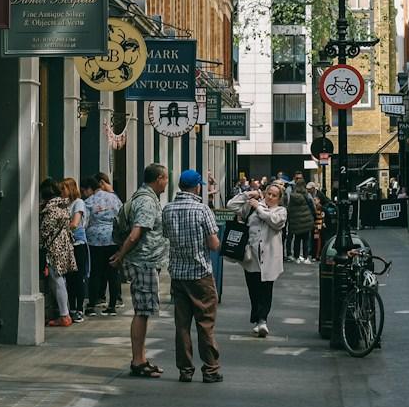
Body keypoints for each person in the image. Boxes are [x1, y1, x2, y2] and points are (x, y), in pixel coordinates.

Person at [161, 169, 223, 383]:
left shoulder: (167, 210)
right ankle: (210, 369)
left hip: (178, 274)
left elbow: (166, 236)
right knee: (205, 322)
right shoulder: (202, 210)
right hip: (200, 274)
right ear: (197, 186)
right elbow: (214, 244)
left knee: (182, 324)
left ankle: (185, 370)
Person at [112, 164, 169, 377]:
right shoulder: (146, 201)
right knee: (142, 311)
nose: (166, 183)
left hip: (145, 260)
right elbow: (137, 233)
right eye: (166, 179)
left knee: (144, 312)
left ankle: (142, 358)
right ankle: (137, 360)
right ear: (160, 178)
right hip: (142, 261)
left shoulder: (144, 197)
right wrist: (121, 255)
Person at [230, 180, 288, 336]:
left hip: (269, 257)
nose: (270, 197)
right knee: (253, 288)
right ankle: (257, 319)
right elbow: (231, 206)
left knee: (266, 289)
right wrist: (248, 194)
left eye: (274, 195)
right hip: (251, 256)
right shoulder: (252, 206)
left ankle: (263, 320)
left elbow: (275, 222)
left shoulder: (280, 211)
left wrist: (259, 208)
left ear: (279, 198)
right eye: (268, 193)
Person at [83, 172, 123, 315]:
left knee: (96, 273)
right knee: (112, 273)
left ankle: (92, 304)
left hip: (95, 241)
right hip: (112, 239)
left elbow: (85, 222)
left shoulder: (89, 201)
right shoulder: (114, 199)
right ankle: (112, 305)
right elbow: (121, 216)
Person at [40, 180, 77, 327]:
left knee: (57, 279)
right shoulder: (63, 206)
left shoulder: (50, 209)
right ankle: (64, 311)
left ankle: (64, 315)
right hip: (64, 246)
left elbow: (44, 231)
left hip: (54, 248)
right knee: (60, 280)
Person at [69, 177, 92, 321]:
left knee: (78, 277)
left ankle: (78, 308)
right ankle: (71, 307)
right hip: (68, 244)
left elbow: (75, 223)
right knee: (70, 277)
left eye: (64, 188)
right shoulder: (65, 204)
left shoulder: (78, 203)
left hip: (78, 243)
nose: (61, 191)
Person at [285, 172, 316, 262]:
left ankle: (296, 256)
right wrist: (313, 215)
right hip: (306, 220)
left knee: (297, 239)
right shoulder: (306, 195)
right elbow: (312, 206)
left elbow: (289, 208)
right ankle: (306, 257)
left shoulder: (292, 195)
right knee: (306, 239)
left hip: (296, 221)